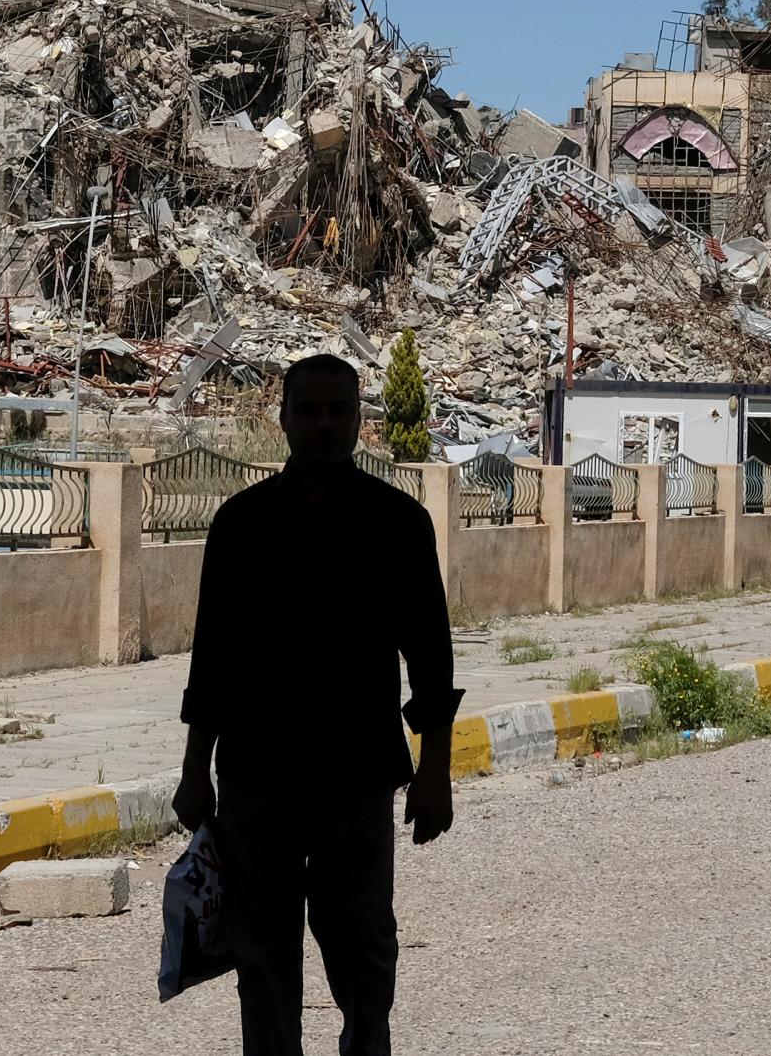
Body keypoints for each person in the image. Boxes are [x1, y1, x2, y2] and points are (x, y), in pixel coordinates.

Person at [174, 354, 460, 1055]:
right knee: (262, 955)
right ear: (284, 419)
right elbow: (214, 656)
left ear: (362, 421)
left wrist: (435, 772)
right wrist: (193, 771)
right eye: (309, 410)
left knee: (362, 950)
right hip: (255, 780)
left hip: (356, 782)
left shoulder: (398, 524)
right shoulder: (241, 525)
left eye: (340, 411)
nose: (325, 424)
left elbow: (429, 657)